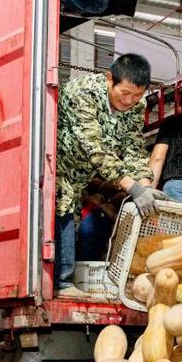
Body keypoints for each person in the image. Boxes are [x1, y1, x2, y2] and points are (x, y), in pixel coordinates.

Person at [55, 54, 162, 295]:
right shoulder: (83, 93)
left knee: (72, 218)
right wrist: (132, 187)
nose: (129, 100)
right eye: (125, 93)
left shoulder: (136, 106)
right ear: (109, 78)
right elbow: (95, 149)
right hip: (57, 169)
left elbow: (133, 147)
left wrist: (145, 185)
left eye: (137, 95)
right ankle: (62, 283)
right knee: (62, 207)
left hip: (81, 177)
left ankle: (65, 281)